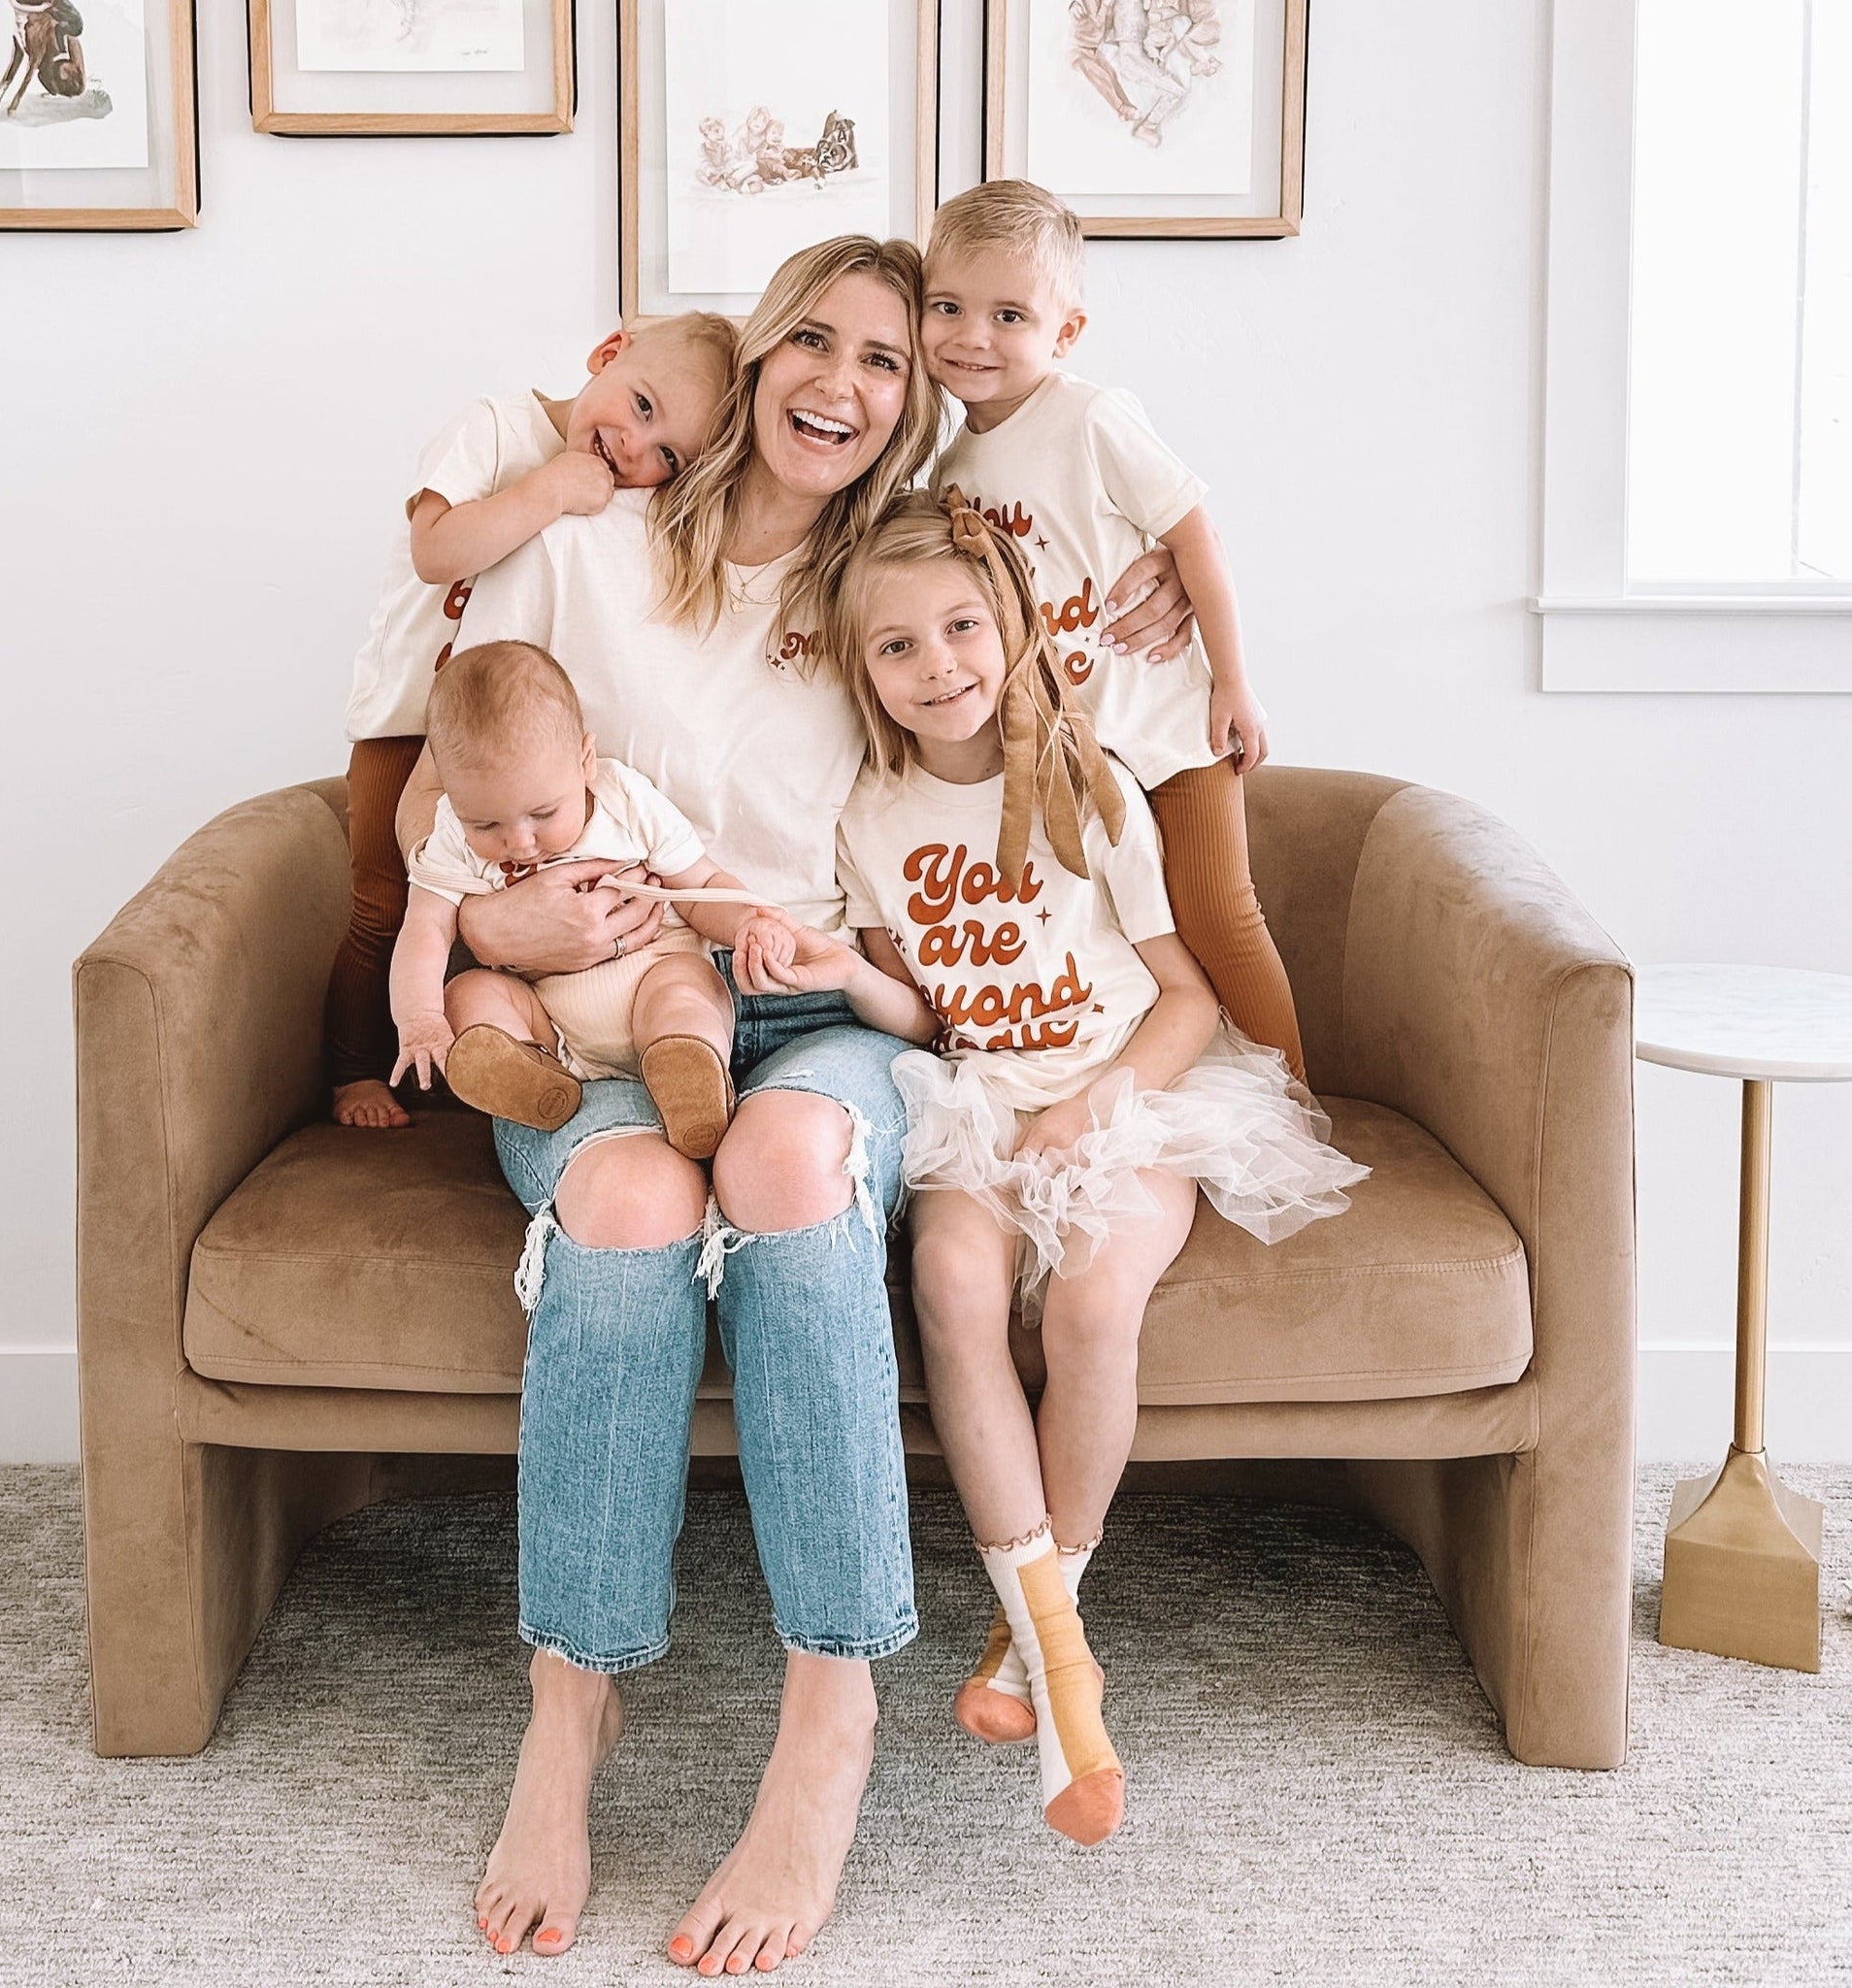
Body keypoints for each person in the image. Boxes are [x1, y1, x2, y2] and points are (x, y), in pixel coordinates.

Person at [398, 237, 1200, 1971]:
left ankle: (831, 1711)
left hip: (821, 1013)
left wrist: (1170, 585)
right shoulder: (585, 548)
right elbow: (438, 796)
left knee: (783, 1161)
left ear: (912, 408)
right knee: (627, 1199)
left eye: (887, 361)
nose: (842, 381)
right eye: (814, 342)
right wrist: (491, 927)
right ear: (756, 359)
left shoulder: (888, 599)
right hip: (596, 1012)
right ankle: (569, 1701)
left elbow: (1041, 652)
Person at [736, 489, 1365, 1846]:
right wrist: (843, 972)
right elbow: (921, 1017)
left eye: (961, 626)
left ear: (1012, 624)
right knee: (953, 1287)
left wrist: (1090, 1107)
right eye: (897, 645)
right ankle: (1059, 1657)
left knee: (1088, 1305)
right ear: (862, 669)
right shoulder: (868, 814)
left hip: (1132, 1090)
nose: (937, 664)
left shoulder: (1091, 785)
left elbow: (1186, 996)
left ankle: (1043, 1647)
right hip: (977, 1099)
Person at [922, 178, 1311, 1081]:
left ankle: (1297, 1105)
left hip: (1168, 731)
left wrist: (1233, 682)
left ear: (1064, 333)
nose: (973, 336)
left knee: (1219, 916)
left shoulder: (1091, 418)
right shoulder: (949, 469)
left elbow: (1196, 537)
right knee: (1129, 938)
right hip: (1071, 756)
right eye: (949, 307)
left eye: (1009, 316)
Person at [327, 311, 736, 1130]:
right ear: (607, 354)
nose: (635, 449)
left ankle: (505, 1046)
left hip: (507, 734)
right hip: (411, 720)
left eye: (668, 456)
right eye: (641, 407)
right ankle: (353, 1070)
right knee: (383, 904)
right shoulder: (494, 429)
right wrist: (550, 490)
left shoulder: (616, 512)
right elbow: (434, 551)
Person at [389, 639, 788, 1159]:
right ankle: (530, 1077)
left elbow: (702, 886)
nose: (520, 843)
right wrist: (420, 1017)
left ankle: (688, 1079)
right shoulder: (450, 833)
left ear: (585, 761)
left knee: (685, 990)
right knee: (468, 992)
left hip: (652, 975)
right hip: (551, 1024)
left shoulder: (626, 801)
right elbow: (424, 928)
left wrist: (747, 923)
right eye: (485, 825)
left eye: (543, 814)